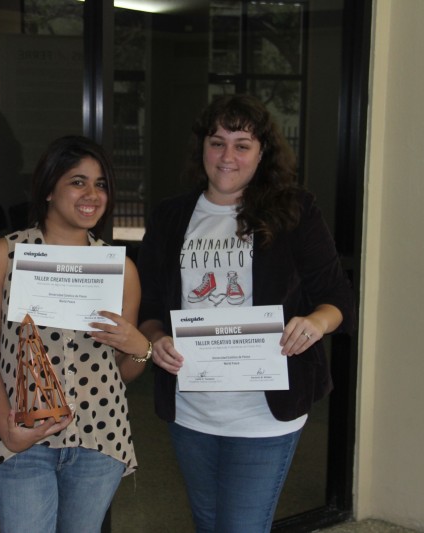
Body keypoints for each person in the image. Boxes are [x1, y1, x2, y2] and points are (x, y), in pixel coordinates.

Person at [137, 94, 356, 533]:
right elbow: (151, 306)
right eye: (217, 142)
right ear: (202, 147)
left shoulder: (294, 211)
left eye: (242, 144)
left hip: (264, 411)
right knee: (208, 523)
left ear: (263, 153)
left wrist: (314, 323)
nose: (227, 156)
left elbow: (337, 299)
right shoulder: (171, 216)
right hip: (191, 408)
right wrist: (155, 338)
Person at [0, 135, 151, 533]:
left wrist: (141, 349)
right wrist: (6, 429)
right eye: (78, 181)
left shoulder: (119, 270)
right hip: (22, 434)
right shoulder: (3, 256)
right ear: (49, 189)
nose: (92, 194)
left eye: (101, 184)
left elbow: (123, 372)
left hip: (99, 437)